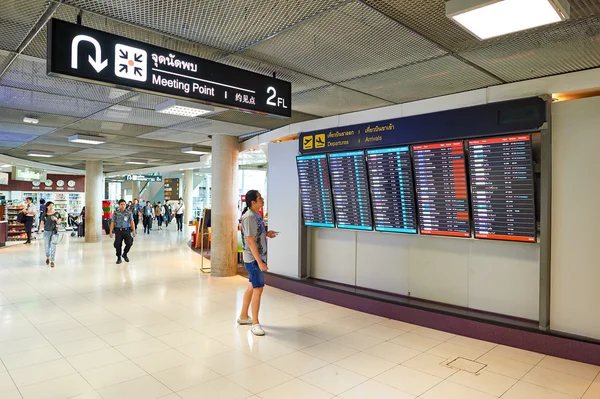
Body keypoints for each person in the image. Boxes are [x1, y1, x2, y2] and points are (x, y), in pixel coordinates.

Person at [237, 190, 277, 336]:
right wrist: (259, 262)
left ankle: (243, 316)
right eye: (259, 198)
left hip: (257, 257)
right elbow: (250, 240)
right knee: (258, 289)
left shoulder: (257, 214)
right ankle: (255, 323)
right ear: (253, 202)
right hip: (253, 259)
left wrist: (267, 234)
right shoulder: (249, 217)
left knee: (251, 286)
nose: (262, 200)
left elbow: (255, 234)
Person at [109, 199, 136, 264]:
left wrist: (133, 230)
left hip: (127, 230)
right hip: (118, 231)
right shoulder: (116, 212)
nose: (123, 206)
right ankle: (119, 257)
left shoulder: (129, 212)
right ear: (119, 205)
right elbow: (112, 222)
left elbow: (132, 222)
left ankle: (125, 254)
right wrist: (110, 231)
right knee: (118, 245)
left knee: (129, 243)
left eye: (124, 204)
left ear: (125, 205)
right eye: (121, 204)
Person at [37, 201, 61, 267]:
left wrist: (56, 219)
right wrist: (39, 230)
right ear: (47, 206)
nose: (51, 207)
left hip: (55, 232)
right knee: (47, 246)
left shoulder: (56, 214)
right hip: (46, 232)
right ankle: (48, 256)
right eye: (50, 205)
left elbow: (59, 222)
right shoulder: (44, 214)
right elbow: (41, 223)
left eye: (52, 205)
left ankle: (52, 260)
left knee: (53, 246)